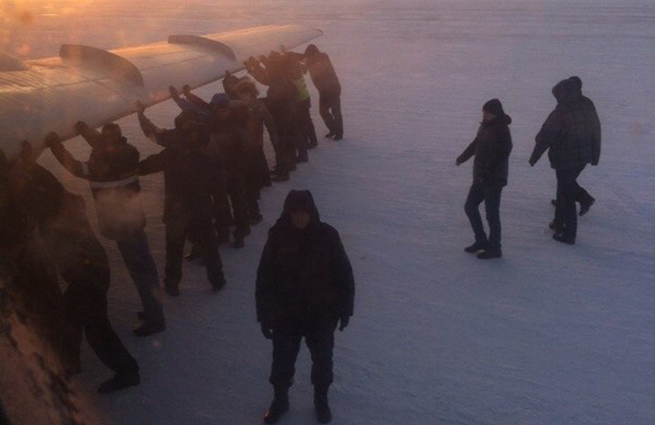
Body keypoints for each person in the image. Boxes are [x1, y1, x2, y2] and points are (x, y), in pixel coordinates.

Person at [11, 141, 139, 393]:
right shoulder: (57, 200)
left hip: (88, 275)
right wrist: (28, 163)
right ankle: (70, 363)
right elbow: (43, 184)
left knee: (96, 328)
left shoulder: (55, 211)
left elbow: (29, 193)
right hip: (89, 271)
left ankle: (127, 371)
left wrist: (24, 167)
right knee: (71, 318)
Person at [46, 126, 165, 336]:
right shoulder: (127, 154)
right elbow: (102, 143)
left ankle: (155, 320)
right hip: (135, 221)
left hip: (121, 226)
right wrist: (84, 129)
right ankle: (154, 311)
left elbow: (73, 166)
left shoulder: (100, 166)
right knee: (147, 268)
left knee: (141, 272)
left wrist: (55, 144)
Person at [256, 190, 355, 424]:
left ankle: (321, 400)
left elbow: (344, 274)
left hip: (320, 314)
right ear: (288, 214)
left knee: (322, 362)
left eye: (304, 213)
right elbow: (264, 278)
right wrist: (264, 313)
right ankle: (280, 400)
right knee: (281, 363)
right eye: (295, 214)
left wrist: (345, 308)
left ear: (312, 213)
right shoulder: (277, 236)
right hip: (286, 314)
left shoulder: (327, 236)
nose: (300, 218)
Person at [136, 103, 227, 295]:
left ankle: (182, 281)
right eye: (184, 124)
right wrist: (141, 116)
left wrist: (131, 169)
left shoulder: (181, 147)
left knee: (186, 246)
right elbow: (152, 133)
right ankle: (197, 280)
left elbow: (217, 176)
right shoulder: (186, 142)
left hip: (184, 207)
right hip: (190, 207)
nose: (188, 129)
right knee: (188, 246)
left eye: (190, 124)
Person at [529, 77, 601, 244]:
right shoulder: (587, 104)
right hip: (582, 157)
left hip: (565, 158)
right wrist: (594, 155)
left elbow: (545, 136)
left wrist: (535, 155)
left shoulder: (561, 111)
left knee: (566, 193)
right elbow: (596, 130)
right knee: (563, 187)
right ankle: (559, 222)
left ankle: (569, 233)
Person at [456, 99, 513, 259]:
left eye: (486, 113)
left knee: (491, 214)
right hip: (481, 176)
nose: (484, 115)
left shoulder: (501, 129)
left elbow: (505, 151)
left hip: (493, 178)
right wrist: (463, 157)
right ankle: (481, 240)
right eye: (484, 112)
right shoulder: (486, 126)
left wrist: (488, 170)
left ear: (494, 113)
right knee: (470, 206)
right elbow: (476, 144)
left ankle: (495, 248)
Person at [548, 76, 599, 217]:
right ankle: (561, 203)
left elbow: (593, 128)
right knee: (564, 178)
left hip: (573, 151)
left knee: (566, 180)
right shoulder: (582, 102)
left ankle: (584, 198)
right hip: (580, 151)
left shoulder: (576, 105)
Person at [303, 45, 343, 140]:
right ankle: (333, 129)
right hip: (324, 90)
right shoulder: (312, 60)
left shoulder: (323, 57)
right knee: (323, 111)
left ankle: (339, 133)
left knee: (335, 111)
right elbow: (304, 62)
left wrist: (307, 62)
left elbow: (316, 65)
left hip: (333, 89)